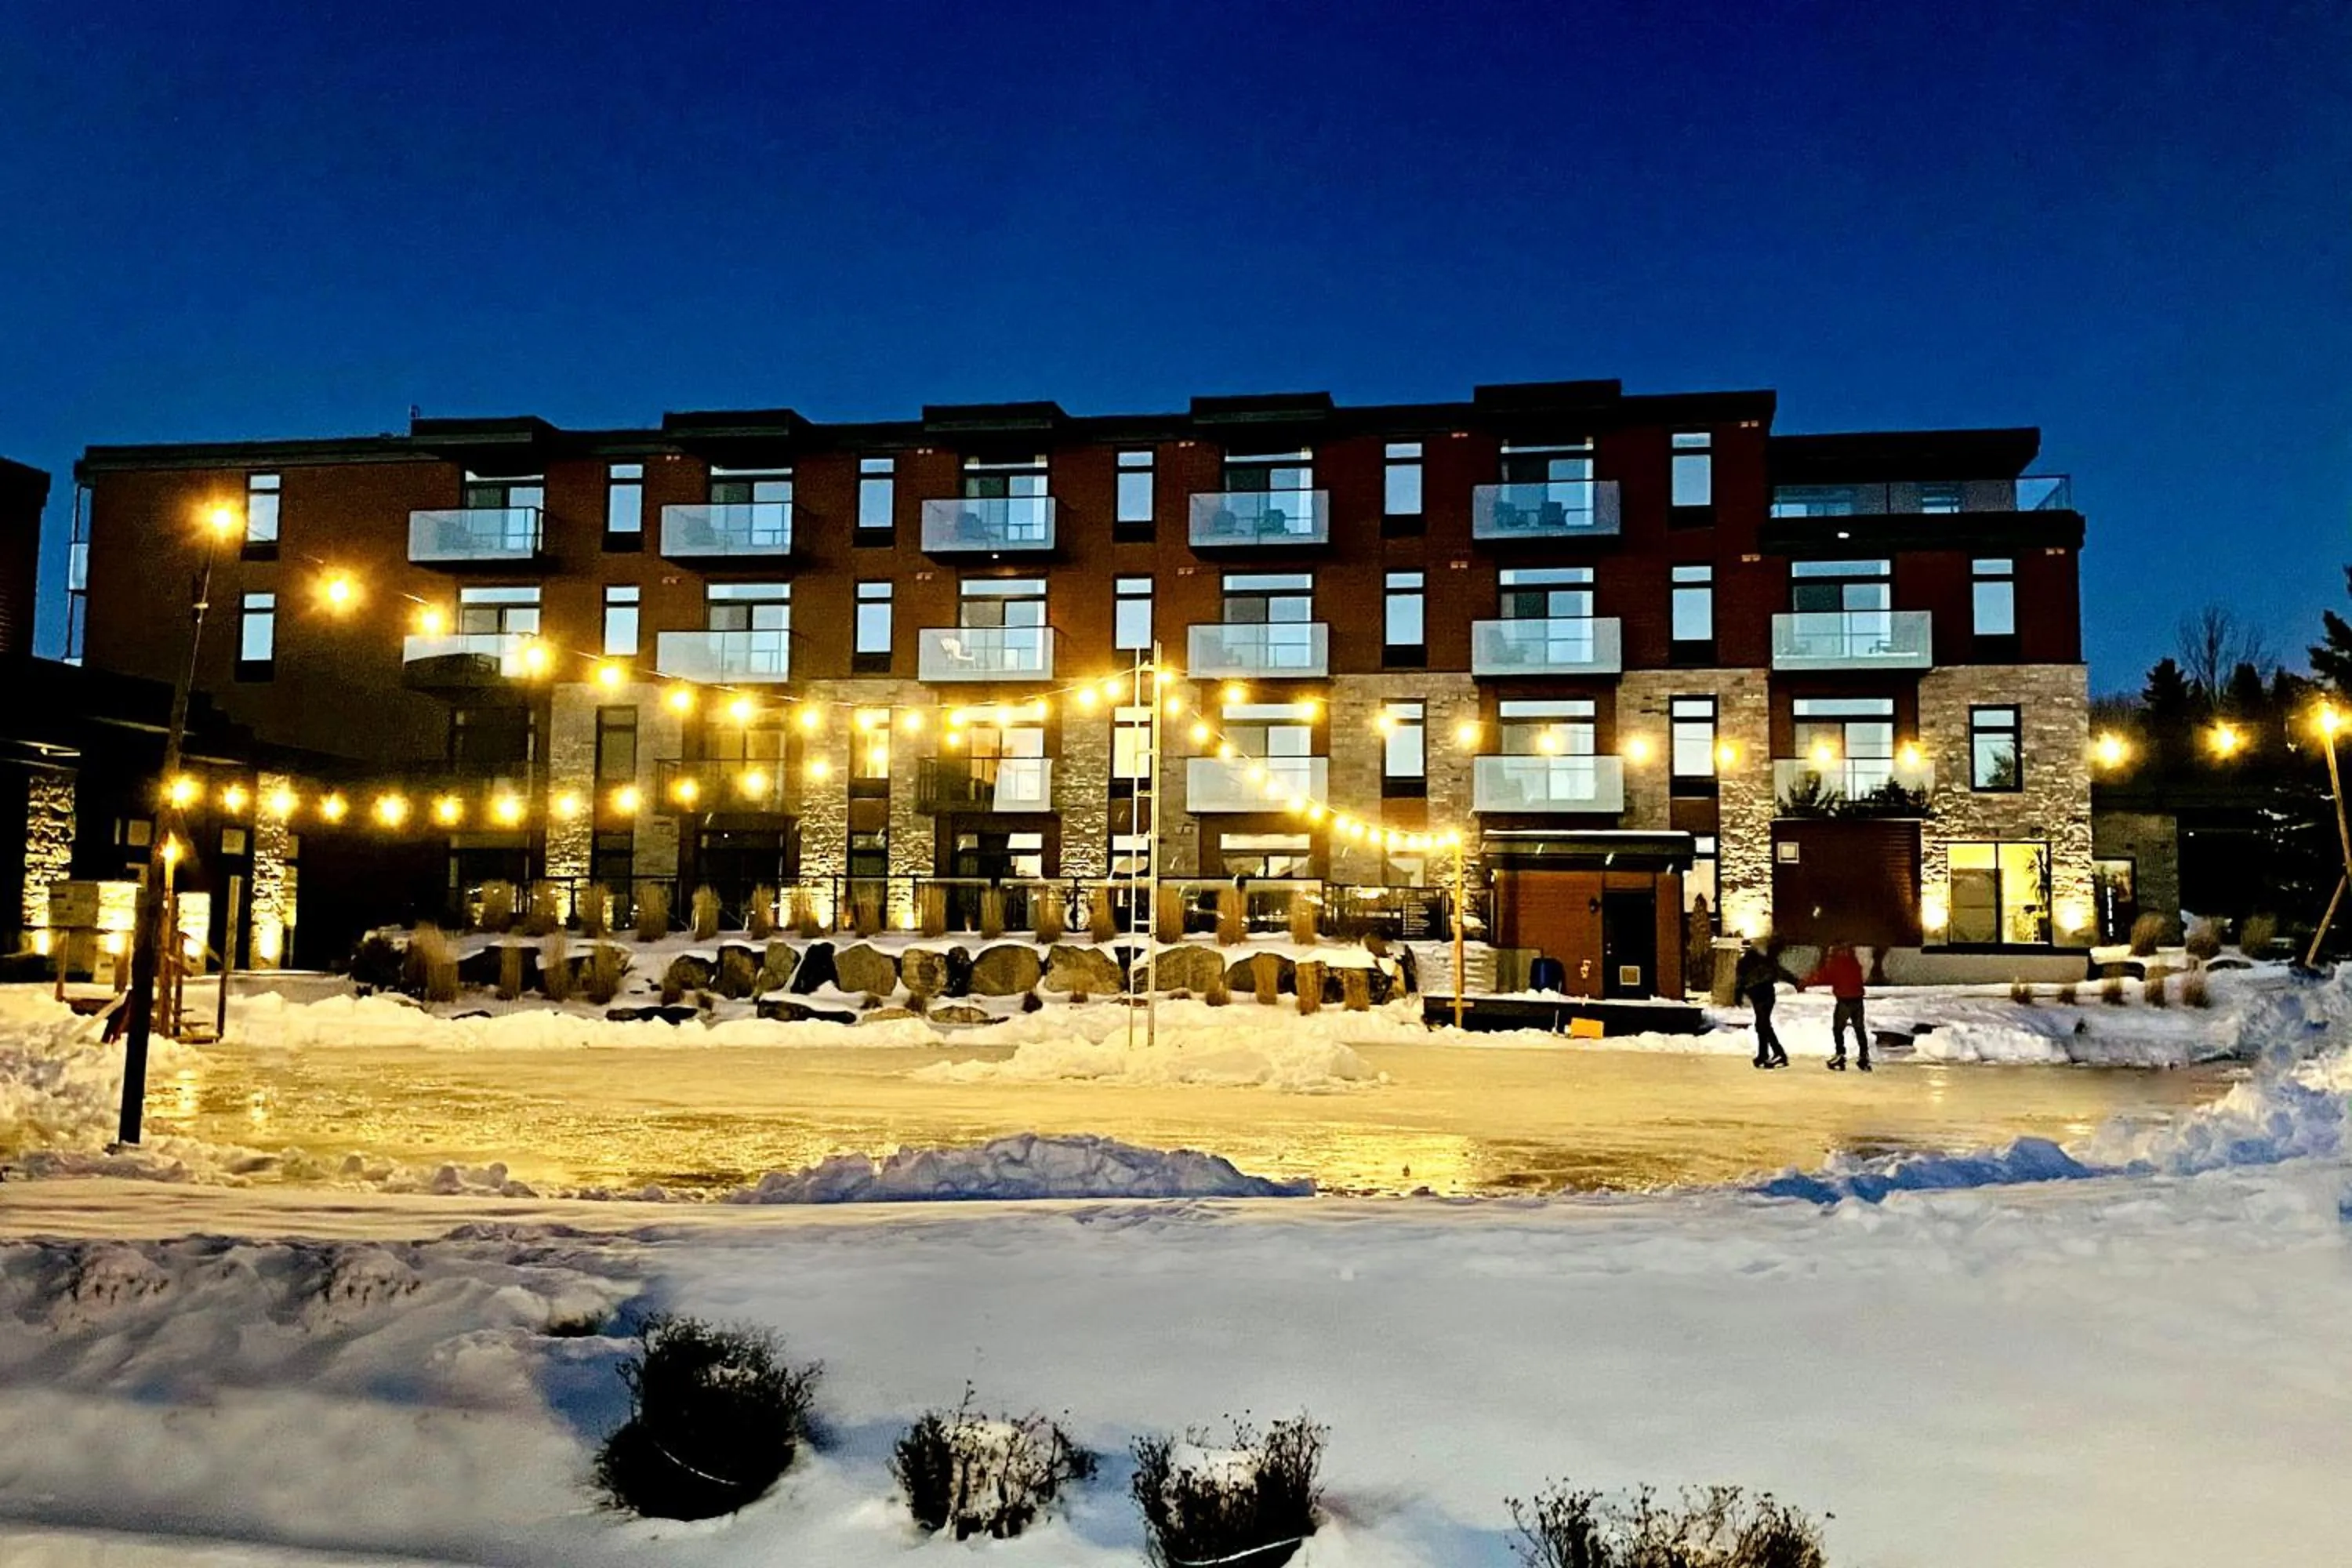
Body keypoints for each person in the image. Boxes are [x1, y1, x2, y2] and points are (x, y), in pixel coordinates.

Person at [1806, 942, 1871, 1071]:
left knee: (1838, 1028)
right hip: (1857, 999)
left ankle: (1840, 1054)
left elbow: (1823, 976)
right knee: (1859, 1029)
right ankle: (1864, 1056)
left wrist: (1805, 982)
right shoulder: (1854, 962)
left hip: (1844, 1000)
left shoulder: (1835, 963)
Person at [1733, 938, 1788, 1069]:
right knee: (1762, 1024)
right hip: (1766, 994)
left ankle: (1777, 1053)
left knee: (1763, 1024)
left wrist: (1738, 994)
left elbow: (1740, 981)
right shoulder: (1767, 961)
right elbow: (1778, 973)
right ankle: (1764, 1054)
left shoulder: (1747, 962)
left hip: (1759, 995)